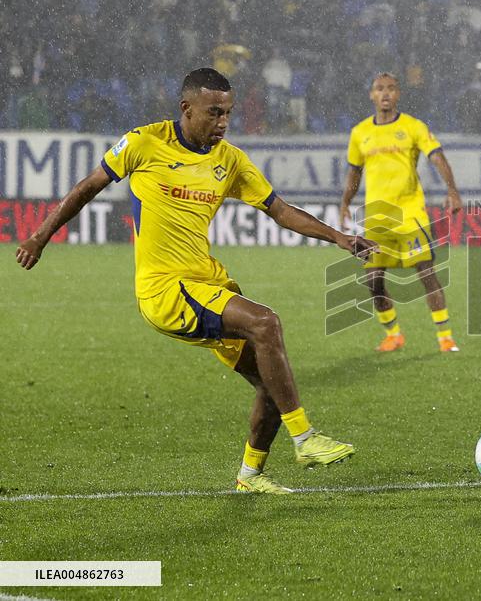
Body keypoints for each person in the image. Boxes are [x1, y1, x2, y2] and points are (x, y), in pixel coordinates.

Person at [15, 68, 378, 495]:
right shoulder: (143, 142)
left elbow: (279, 210)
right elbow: (85, 188)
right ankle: (305, 439)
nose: (222, 123)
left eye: (228, 113)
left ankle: (250, 476)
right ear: (186, 109)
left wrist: (340, 237)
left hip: (208, 282)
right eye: (213, 113)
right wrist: (40, 236)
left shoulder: (230, 160)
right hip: (165, 289)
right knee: (266, 323)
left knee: (272, 382)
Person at [340, 72, 463, 353]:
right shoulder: (360, 133)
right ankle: (393, 334)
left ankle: (445, 337)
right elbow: (354, 173)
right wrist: (345, 202)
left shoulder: (413, 127)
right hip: (377, 218)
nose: (385, 93)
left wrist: (452, 190)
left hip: (410, 214)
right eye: (379, 89)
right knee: (373, 279)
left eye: (391, 89)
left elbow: (437, 157)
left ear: (398, 94)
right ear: (371, 95)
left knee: (426, 273)